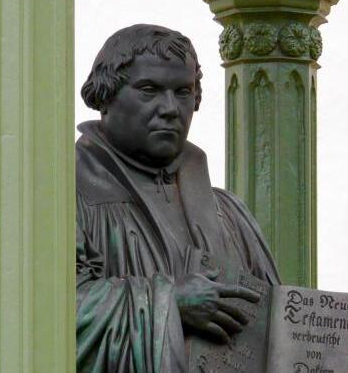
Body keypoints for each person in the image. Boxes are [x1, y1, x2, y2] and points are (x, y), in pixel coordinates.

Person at [75, 24, 279, 373]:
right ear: (105, 97)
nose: (170, 108)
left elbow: (278, 329)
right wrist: (169, 303)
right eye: (149, 90)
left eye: (183, 92)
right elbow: (46, 317)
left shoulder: (230, 213)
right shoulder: (65, 202)